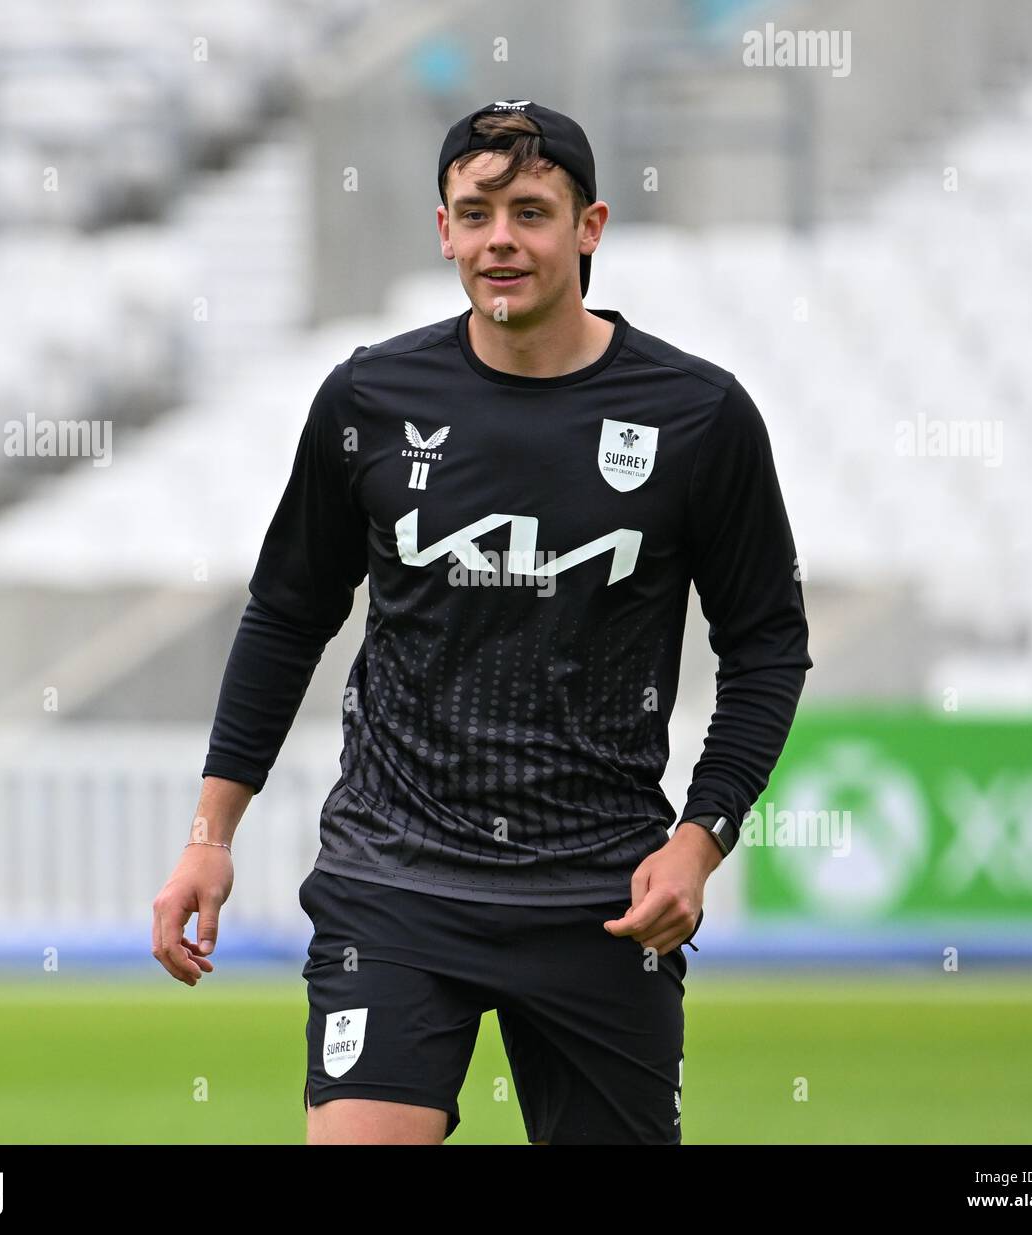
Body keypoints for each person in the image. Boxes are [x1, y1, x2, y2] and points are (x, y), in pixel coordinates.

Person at [151, 98, 812, 1145]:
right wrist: (209, 833)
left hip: (603, 893)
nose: (500, 237)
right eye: (476, 212)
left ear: (588, 227)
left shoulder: (698, 416)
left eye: (531, 212)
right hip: (394, 877)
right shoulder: (366, 397)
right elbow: (286, 614)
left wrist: (701, 837)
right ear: (444, 228)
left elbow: (768, 643)